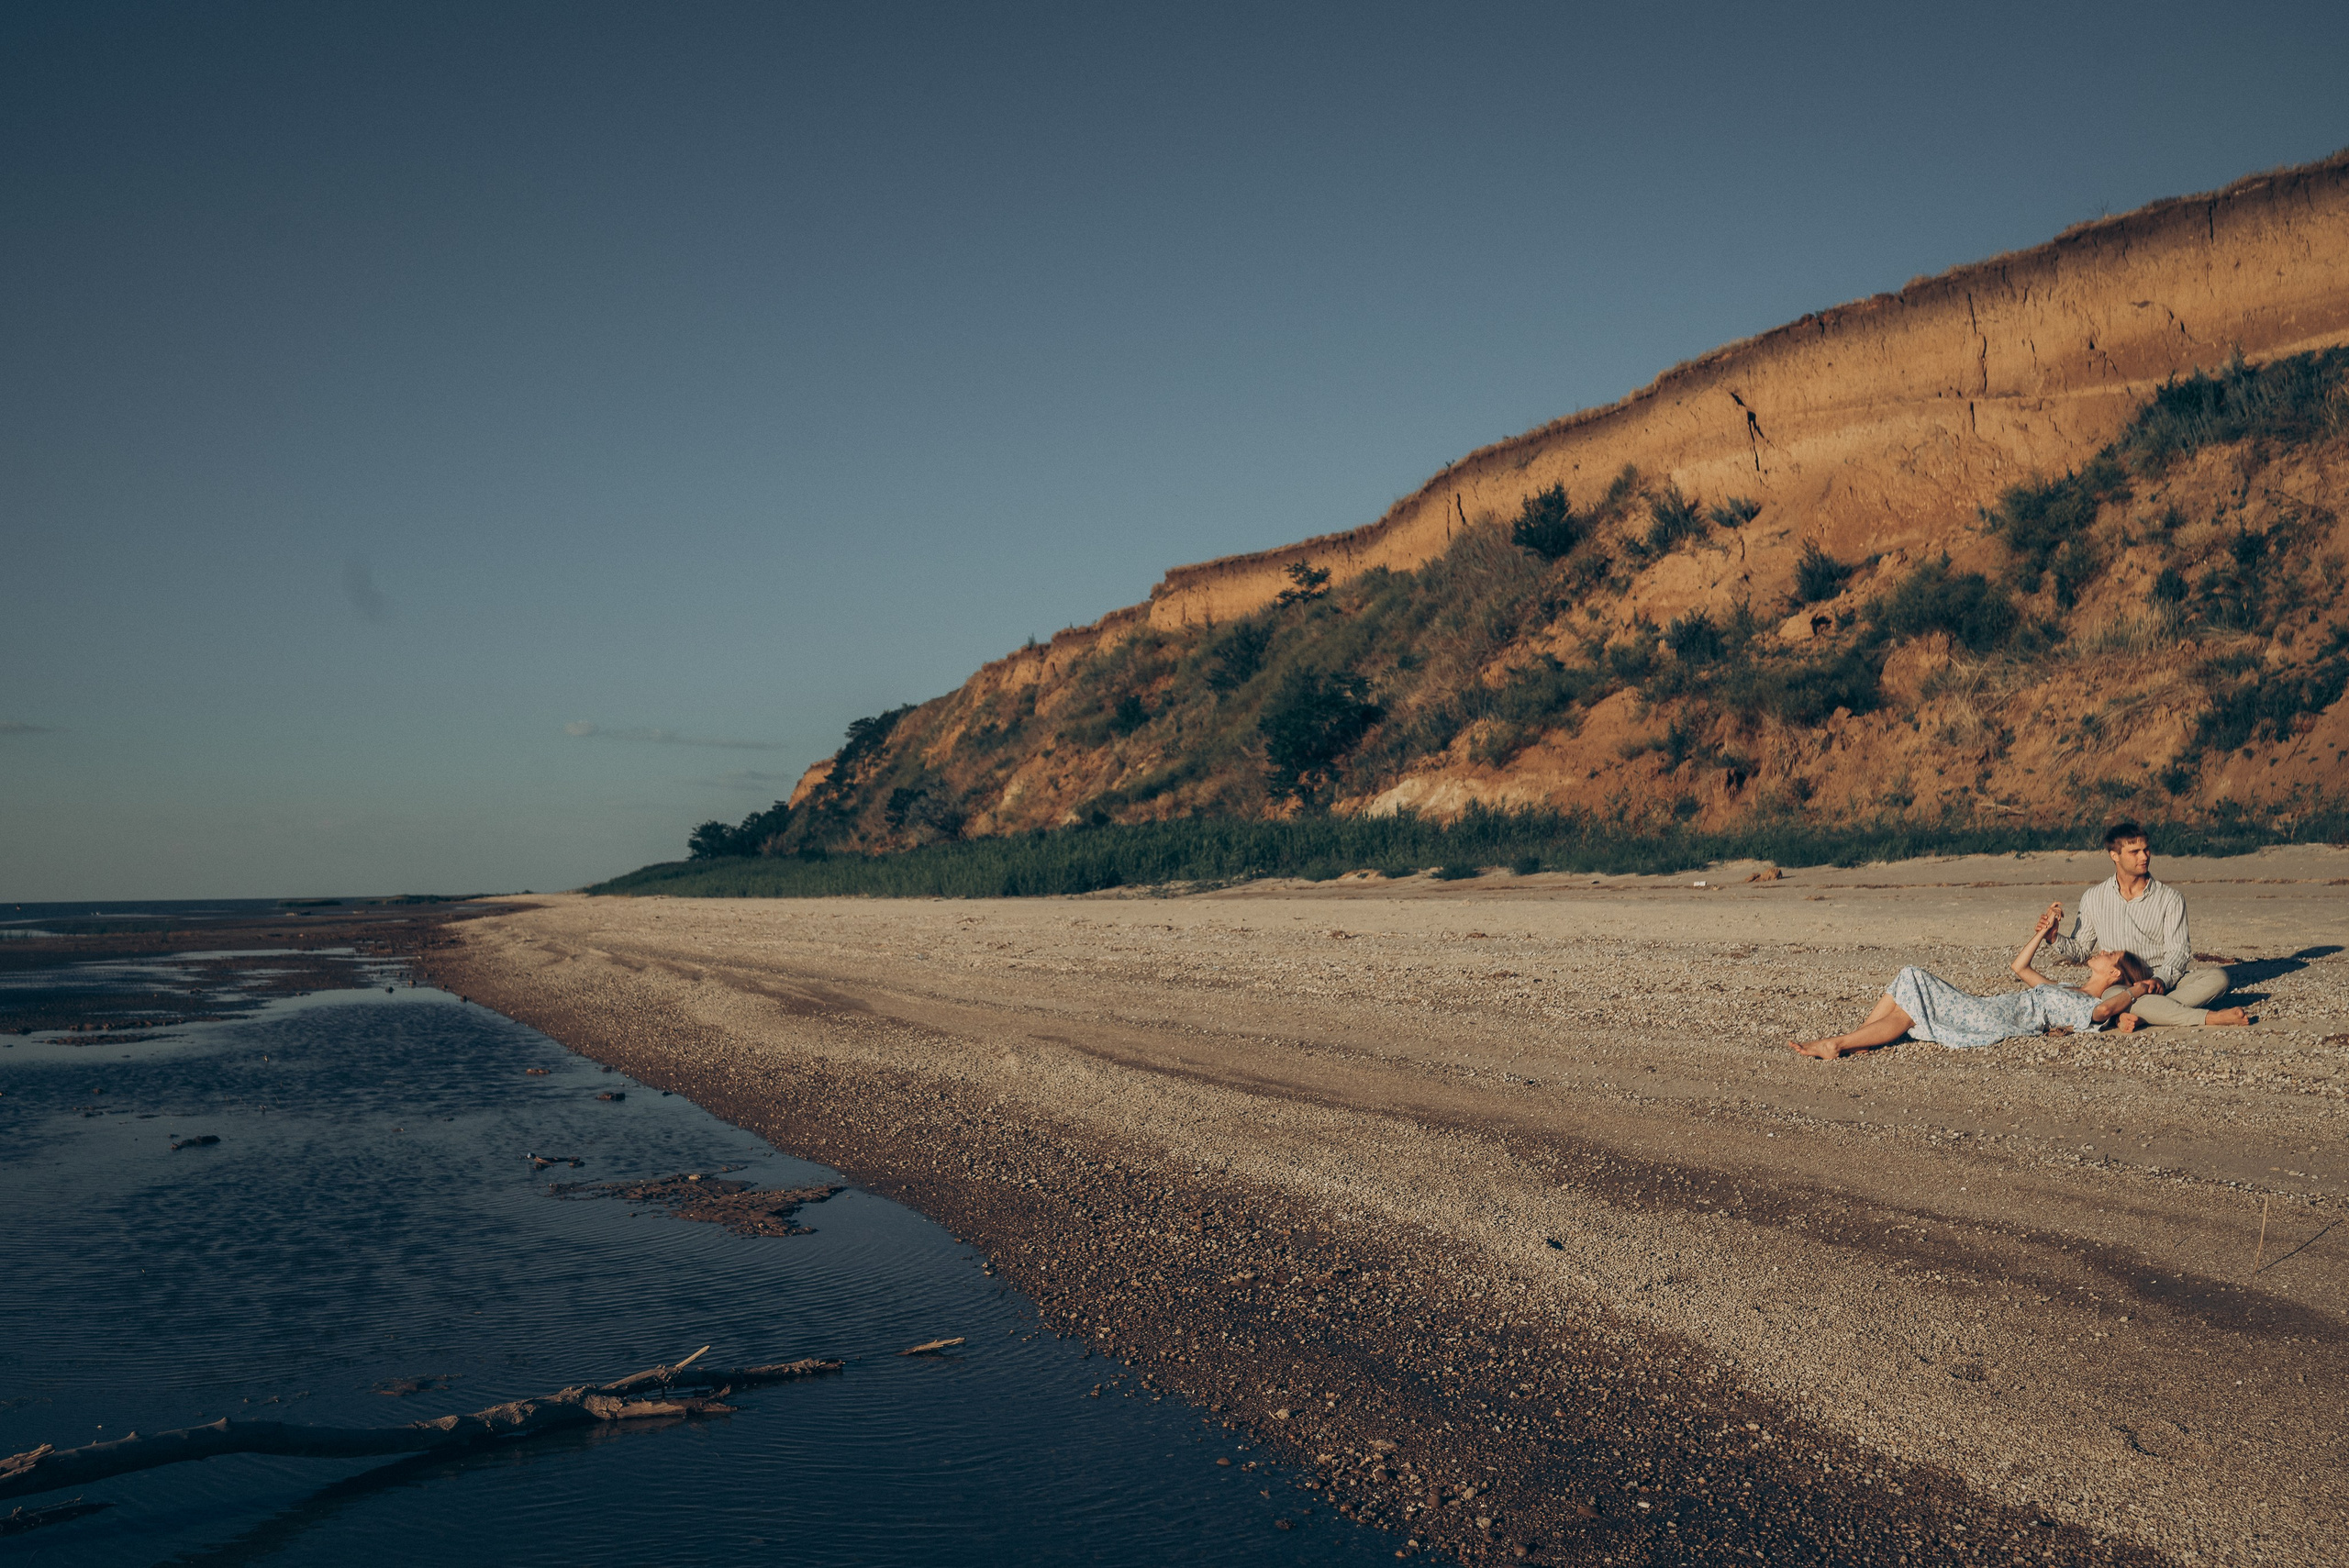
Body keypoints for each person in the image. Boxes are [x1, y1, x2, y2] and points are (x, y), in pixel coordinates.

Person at [1787, 906, 2154, 1061]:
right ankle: (1852, 1042)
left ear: (2114, 974)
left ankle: (1844, 1041)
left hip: (1994, 1019)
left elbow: (2104, 1011)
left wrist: (2137, 991)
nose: (2102, 951)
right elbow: (2020, 967)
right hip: (1991, 1008)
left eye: (2110, 954)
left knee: (1913, 979)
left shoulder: (2089, 1005)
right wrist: (2043, 933)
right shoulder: (2066, 989)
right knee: (1909, 1004)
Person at [2043, 821, 2244, 1027]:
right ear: (2114, 855)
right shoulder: (2093, 897)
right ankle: (2209, 1017)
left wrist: (2160, 980)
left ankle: (2137, 1013)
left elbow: (2178, 951)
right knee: (2110, 996)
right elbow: (2081, 950)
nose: (2144, 857)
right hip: (2119, 984)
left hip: (2162, 981)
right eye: (2135, 852)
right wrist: (2053, 938)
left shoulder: (2171, 898)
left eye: (2146, 849)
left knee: (2219, 978)